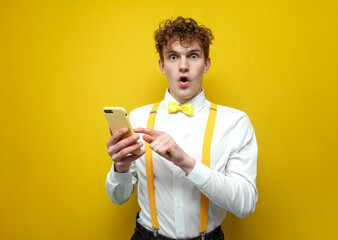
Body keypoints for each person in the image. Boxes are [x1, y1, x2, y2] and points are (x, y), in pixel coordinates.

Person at [105, 16, 258, 240]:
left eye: (193, 56)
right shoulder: (138, 118)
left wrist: (186, 163)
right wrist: (119, 168)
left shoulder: (235, 123)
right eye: (173, 56)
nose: (183, 66)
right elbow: (118, 197)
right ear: (162, 65)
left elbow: (245, 204)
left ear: (206, 64)